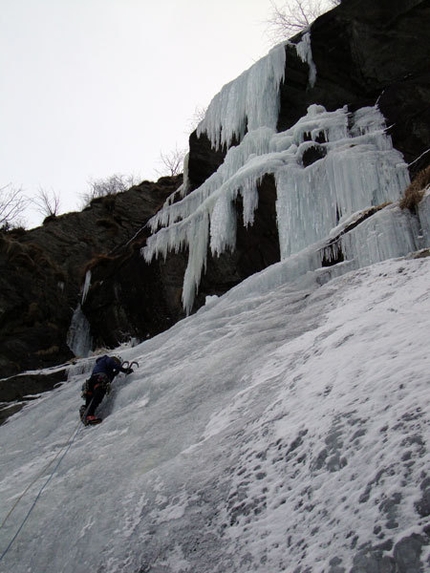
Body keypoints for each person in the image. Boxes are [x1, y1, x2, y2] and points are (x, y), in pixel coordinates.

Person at [80, 355, 133, 425]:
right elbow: (113, 365)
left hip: (91, 381)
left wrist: (115, 373)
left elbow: (110, 375)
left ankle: (85, 409)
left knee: (91, 397)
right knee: (98, 395)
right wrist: (124, 370)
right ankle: (90, 416)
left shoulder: (101, 364)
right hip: (100, 379)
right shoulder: (107, 359)